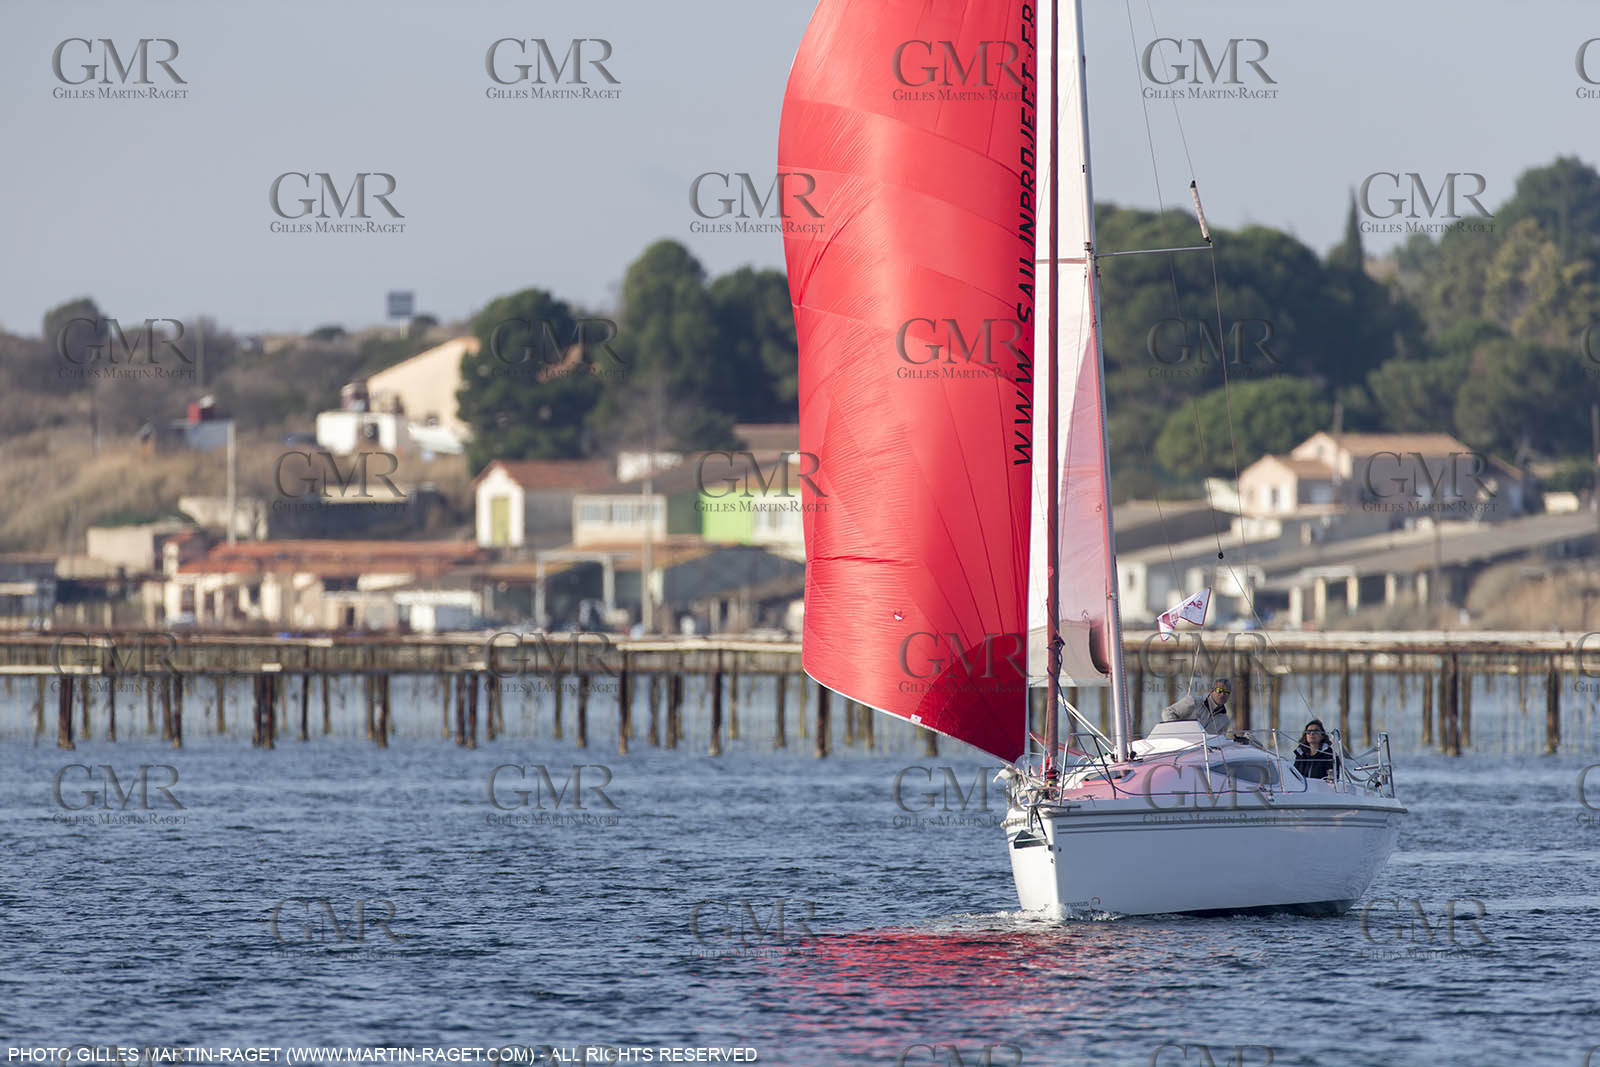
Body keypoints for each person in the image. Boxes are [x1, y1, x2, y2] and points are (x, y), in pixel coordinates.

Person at [1160, 678, 1231, 734]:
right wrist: (1178, 733)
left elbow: (1219, 742)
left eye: (1226, 692)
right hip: (1181, 747)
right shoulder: (1194, 702)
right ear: (1211, 691)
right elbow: (1167, 713)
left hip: (1203, 751)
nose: (1222, 694)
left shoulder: (1225, 720)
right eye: (1219, 690)